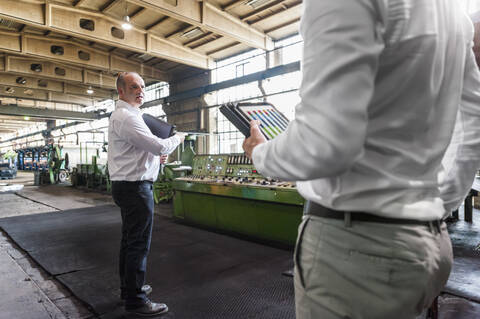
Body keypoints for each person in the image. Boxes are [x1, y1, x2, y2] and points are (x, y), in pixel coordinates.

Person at [243, 1, 480, 318]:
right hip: (428, 244)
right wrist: (430, 211)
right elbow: (472, 131)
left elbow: (323, 143)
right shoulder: (454, 16)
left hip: (356, 252)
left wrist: (259, 151)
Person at [108, 72, 185, 316]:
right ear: (121, 91)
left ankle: (129, 288)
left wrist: (155, 156)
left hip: (127, 185)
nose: (140, 91)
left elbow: (144, 150)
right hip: (135, 188)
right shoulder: (126, 116)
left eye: (142, 87)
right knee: (138, 245)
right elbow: (160, 145)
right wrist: (178, 138)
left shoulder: (132, 115)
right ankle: (136, 300)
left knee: (129, 241)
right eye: (133, 87)